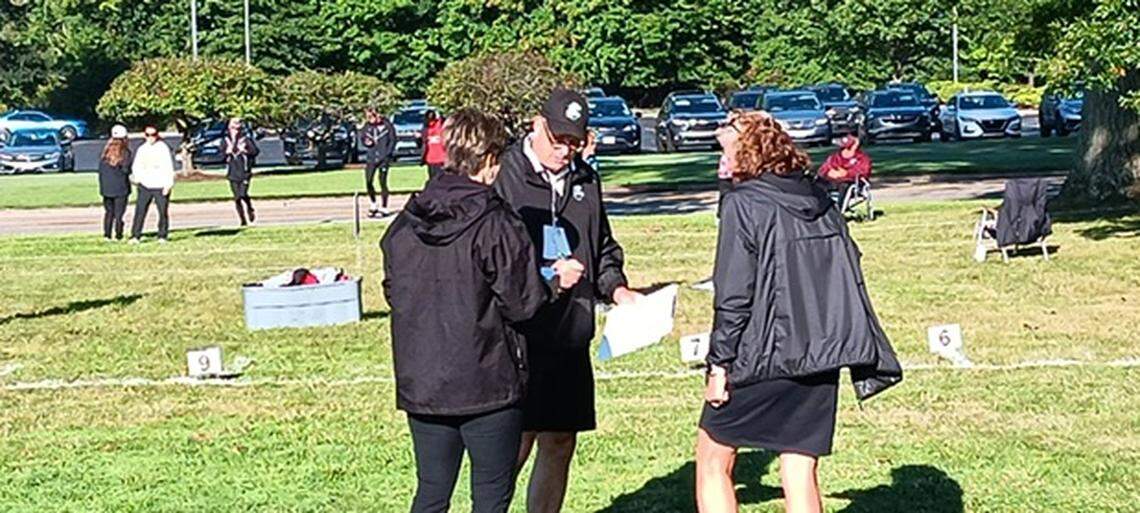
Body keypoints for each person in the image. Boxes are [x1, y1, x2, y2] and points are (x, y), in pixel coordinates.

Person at [695, 113, 903, 513]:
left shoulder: (744, 204)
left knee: (712, 460)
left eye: (726, 153)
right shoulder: (820, 198)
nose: (723, 162)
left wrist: (719, 365)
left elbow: (734, 294)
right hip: (821, 352)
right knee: (799, 467)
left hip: (761, 356)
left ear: (747, 153)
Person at [381, 108, 585, 513]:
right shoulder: (495, 222)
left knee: (431, 493)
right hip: (487, 383)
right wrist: (555, 283)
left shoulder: (406, 221)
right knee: (491, 497)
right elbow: (523, 303)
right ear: (490, 159)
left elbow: (394, 290)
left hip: (424, 381)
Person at [494, 88, 641, 513]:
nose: (565, 151)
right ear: (537, 125)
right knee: (515, 442)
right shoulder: (505, 173)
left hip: (569, 330)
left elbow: (603, 246)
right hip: (518, 332)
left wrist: (617, 288)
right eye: (558, 140)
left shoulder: (586, 180)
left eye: (574, 143)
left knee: (559, 441)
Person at [129, 126, 176, 244]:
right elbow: (136, 166)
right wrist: (138, 179)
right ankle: (135, 235)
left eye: (153, 135)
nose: (151, 137)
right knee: (140, 211)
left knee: (162, 212)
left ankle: (162, 235)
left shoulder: (163, 148)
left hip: (160, 185)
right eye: (148, 135)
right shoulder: (142, 149)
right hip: (145, 185)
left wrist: (168, 184)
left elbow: (168, 167)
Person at [98, 124, 132, 241]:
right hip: (121, 188)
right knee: (119, 214)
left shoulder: (105, 153)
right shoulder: (125, 153)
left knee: (109, 212)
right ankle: (118, 234)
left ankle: (107, 234)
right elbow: (126, 170)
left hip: (107, 189)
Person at [817, 135, 872, 207]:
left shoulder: (862, 158)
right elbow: (822, 169)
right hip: (832, 182)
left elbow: (864, 172)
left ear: (855, 146)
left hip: (851, 183)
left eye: (848, 148)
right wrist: (828, 172)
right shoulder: (834, 157)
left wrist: (847, 173)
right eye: (843, 148)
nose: (844, 151)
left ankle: (839, 209)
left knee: (845, 186)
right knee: (818, 183)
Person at [361, 108, 397, 217]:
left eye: (371, 117)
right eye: (368, 117)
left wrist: (387, 154)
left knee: (382, 182)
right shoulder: (367, 126)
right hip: (371, 158)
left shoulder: (387, 126)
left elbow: (393, 140)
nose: (370, 119)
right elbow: (363, 137)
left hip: (383, 158)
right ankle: (373, 203)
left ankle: (384, 207)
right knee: (368, 181)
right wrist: (366, 142)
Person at [224, 117, 259, 226]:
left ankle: (249, 208)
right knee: (237, 198)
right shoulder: (226, 140)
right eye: (233, 128)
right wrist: (226, 152)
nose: (236, 131)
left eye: (238, 129)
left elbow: (255, 151)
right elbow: (221, 154)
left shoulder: (245, 139)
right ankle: (242, 220)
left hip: (244, 172)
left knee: (243, 194)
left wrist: (246, 151)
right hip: (232, 172)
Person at [422, 110, 446, 182]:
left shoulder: (440, 125)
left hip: (439, 157)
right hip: (432, 157)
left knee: (436, 177)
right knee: (436, 177)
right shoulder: (426, 128)